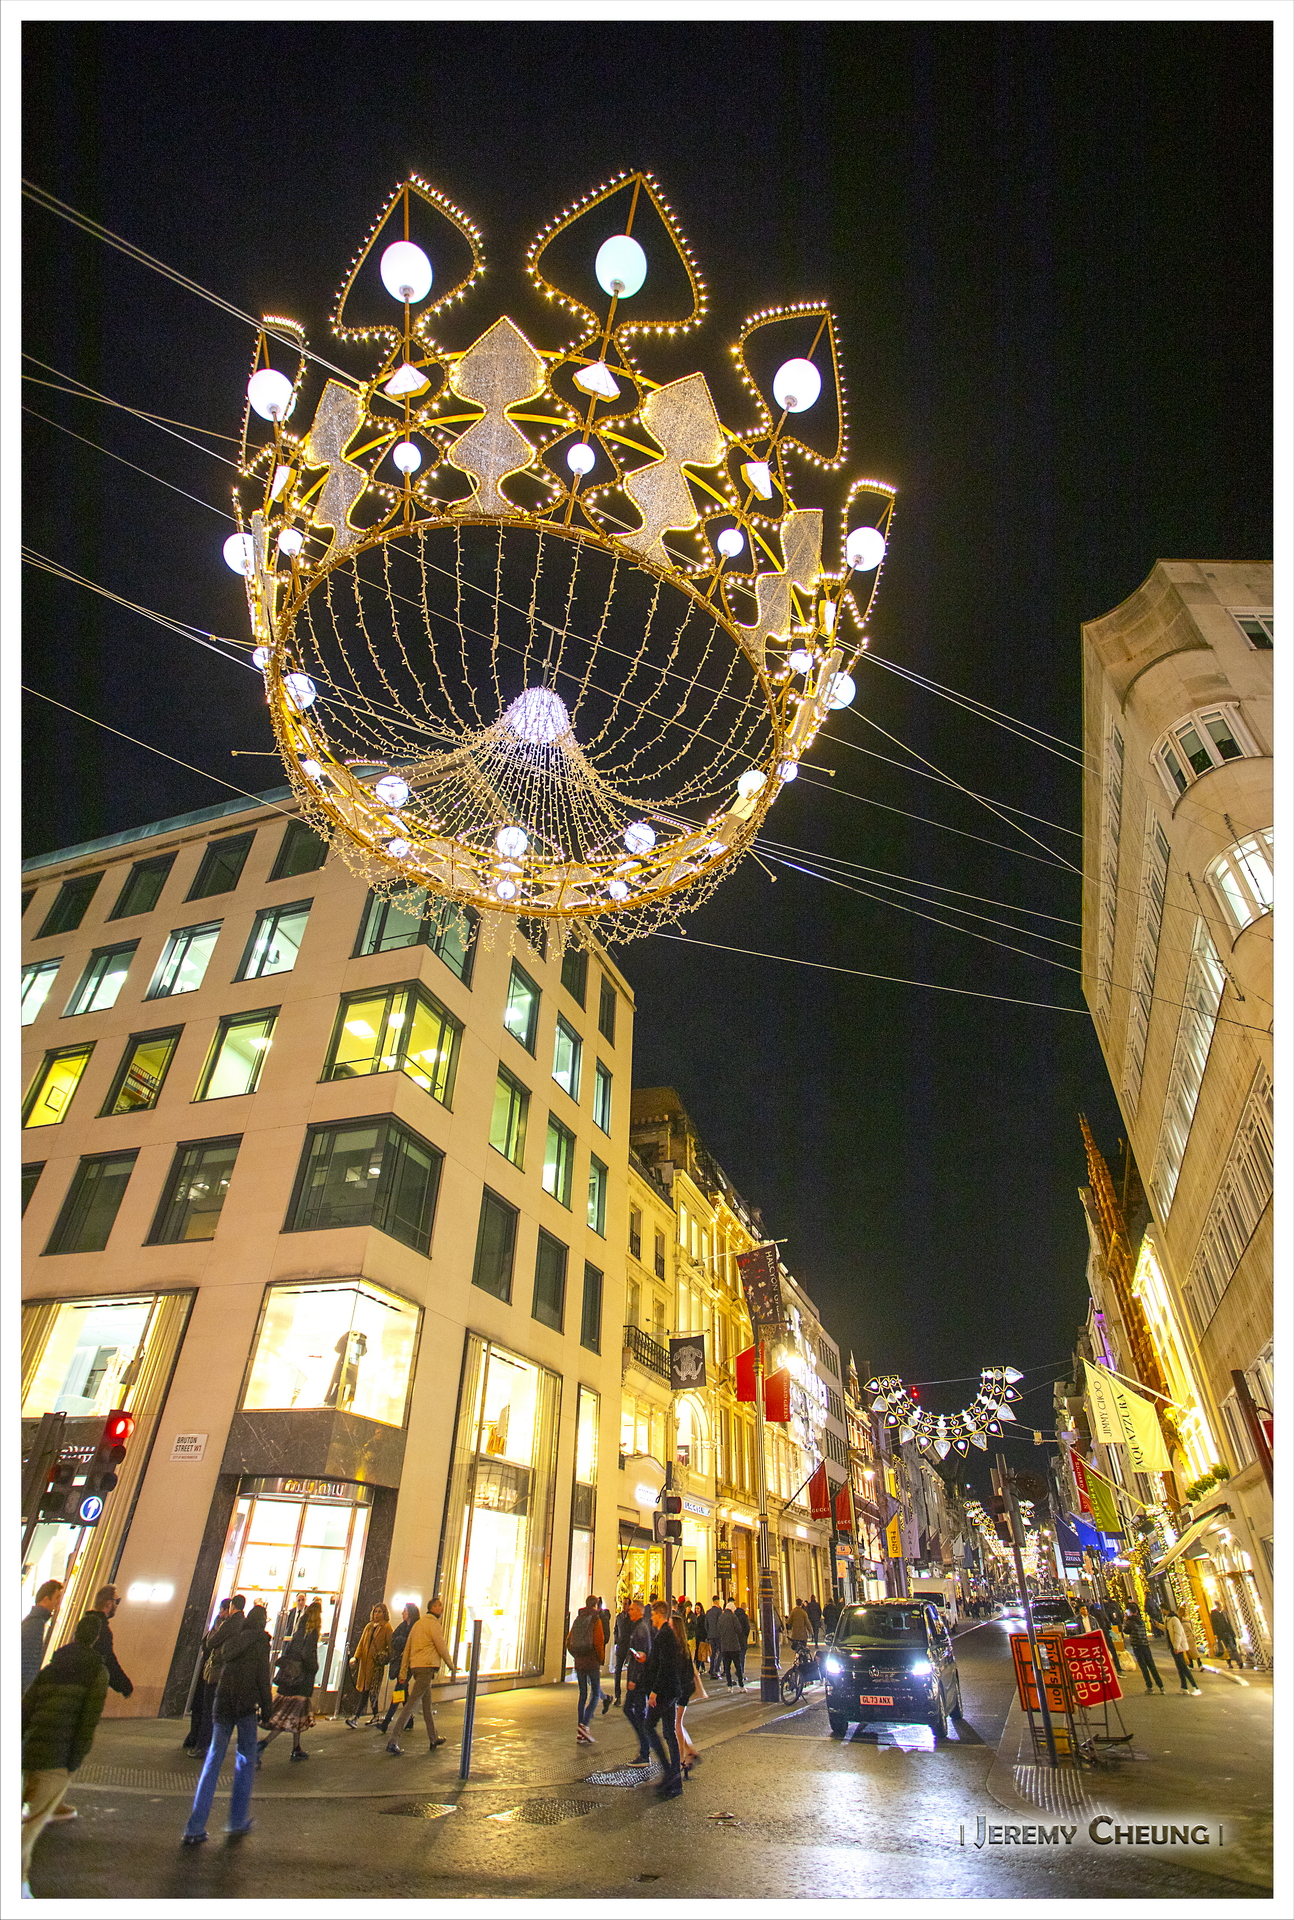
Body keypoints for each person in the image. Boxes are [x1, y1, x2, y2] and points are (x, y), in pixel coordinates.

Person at [21, 1616, 108, 1893]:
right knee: (30, 1828)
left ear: (73, 1634)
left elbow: (25, 1710)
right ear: (96, 1639)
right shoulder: (97, 1672)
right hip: (57, 1760)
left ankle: (20, 1884)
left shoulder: (51, 1668)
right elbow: (87, 1722)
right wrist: (74, 1762)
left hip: (28, 1753)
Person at [181, 1602, 273, 1845]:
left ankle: (194, 1826)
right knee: (245, 1760)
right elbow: (263, 1678)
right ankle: (237, 1820)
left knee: (213, 1762)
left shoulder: (234, 1640)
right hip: (245, 1707)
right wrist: (268, 1710)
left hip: (222, 1704)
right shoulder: (260, 1644)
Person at [390, 1594, 455, 1754]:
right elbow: (441, 1645)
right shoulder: (433, 1624)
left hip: (416, 1666)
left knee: (427, 1705)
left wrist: (404, 1671)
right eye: (439, 1605)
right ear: (433, 1608)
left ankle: (433, 1738)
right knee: (411, 1704)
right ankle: (393, 1740)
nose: (441, 1608)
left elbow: (408, 1648)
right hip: (427, 1666)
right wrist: (451, 1665)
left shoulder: (418, 1624)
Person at [259, 1598, 320, 1761]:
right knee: (288, 1717)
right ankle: (263, 1744)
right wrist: (314, 1667)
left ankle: (296, 1748)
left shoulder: (298, 1631)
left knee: (295, 1717)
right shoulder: (312, 1633)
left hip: (290, 1678)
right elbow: (307, 1655)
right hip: (300, 1682)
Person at [643, 1601, 688, 1799]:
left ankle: (669, 1772)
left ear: (660, 1615)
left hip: (664, 1691)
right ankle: (673, 1777)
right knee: (669, 1732)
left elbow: (664, 1666)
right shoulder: (666, 1635)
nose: (651, 1618)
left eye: (653, 1614)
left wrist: (654, 1691)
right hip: (669, 1690)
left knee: (649, 1726)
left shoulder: (664, 1635)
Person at [183, 1599, 233, 1754]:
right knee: (202, 1706)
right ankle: (196, 1737)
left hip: (212, 1673)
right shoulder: (221, 1625)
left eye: (222, 1609)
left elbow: (209, 1644)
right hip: (208, 1672)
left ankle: (200, 1741)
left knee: (207, 1708)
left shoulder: (224, 1627)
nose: (221, 1612)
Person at [78, 1585, 132, 1698]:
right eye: (116, 1601)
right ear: (108, 1603)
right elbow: (108, 1660)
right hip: (89, 1684)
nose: (116, 1606)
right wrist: (124, 1685)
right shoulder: (102, 1629)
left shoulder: (84, 1623)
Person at [567, 1595, 606, 1744]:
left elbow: (568, 1641)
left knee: (582, 1694)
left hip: (580, 1662)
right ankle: (584, 1725)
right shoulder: (596, 1620)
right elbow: (599, 1642)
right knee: (595, 1693)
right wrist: (599, 1659)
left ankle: (580, 1730)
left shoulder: (578, 1619)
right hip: (592, 1661)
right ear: (596, 1605)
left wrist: (577, 1655)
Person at [346, 1602, 392, 1727]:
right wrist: (356, 1657)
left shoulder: (386, 1627)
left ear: (384, 1613)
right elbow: (361, 1643)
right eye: (375, 1611)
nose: (377, 1614)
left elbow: (390, 1645)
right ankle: (373, 1716)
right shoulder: (369, 1626)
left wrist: (385, 1657)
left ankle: (356, 1717)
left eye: (379, 1612)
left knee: (371, 1690)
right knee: (366, 1690)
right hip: (365, 1664)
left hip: (376, 1665)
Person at [379, 1602, 420, 1736]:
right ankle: (409, 1720)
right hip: (400, 1662)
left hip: (408, 1664)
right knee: (403, 1691)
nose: (402, 1613)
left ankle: (387, 1721)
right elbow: (394, 1640)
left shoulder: (416, 1627)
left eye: (405, 1611)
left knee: (399, 1690)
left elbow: (410, 1643)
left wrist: (401, 1641)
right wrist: (402, 1641)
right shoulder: (402, 1626)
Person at [621, 1600, 653, 1765]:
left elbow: (641, 1657)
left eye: (632, 1609)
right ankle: (645, 1748)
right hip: (640, 1679)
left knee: (634, 1711)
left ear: (640, 1611)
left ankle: (645, 1751)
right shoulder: (639, 1628)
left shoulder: (640, 1630)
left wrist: (634, 1679)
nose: (629, 1611)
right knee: (634, 1711)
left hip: (639, 1681)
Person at [21, 1581, 64, 1694]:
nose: (58, 1603)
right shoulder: (36, 1625)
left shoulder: (31, 1621)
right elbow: (28, 1664)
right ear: (45, 1599)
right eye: (56, 1598)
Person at [675, 1614, 704, 1775]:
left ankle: (682, 1758)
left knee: (676, 1724)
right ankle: (690, 1751)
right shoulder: (683, 1645)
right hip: (685, 1688)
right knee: (678, 1723)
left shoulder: (678, 1647)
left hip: (681, 1689)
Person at [1123, 1603, 1164, 1694]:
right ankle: (1161, 1686)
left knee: (1143, 1667)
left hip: (1137, 1646)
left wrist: (1125, 1620)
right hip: (1145, 1645)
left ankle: (1149, 1686)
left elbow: (1126, 1631)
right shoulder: (1141, 1621)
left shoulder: (1130, 1622)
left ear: (1130, 1611)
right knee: (1151, 1665)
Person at [1164, 1612, 1201, 1693]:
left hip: (1178, 1647)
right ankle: (1184, 1687)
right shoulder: (1168, 1620)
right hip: (1174, 1646)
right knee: (1180, 1667)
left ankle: (1195, 1687)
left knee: (1183, 1666)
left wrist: (1176, 1646)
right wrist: (1158, 1625)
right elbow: (1168, 1630)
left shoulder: (1174, 1620)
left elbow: (1178, 1634)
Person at [715, 1599, 743, 1689]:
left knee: (727, 1667)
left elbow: (718, 1630)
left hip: (724, 1646)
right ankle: (741, 1685)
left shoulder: (721, 1617)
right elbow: (739, 1629)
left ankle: (729, 1685)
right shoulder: (733, 1617)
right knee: (738, 1666)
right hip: (734, 1645)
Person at [1209, 1603, 1243, 1669]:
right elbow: (1214, 1625)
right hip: (1221, 1634)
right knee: (1225, 1649)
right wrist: (1216, 1634)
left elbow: (1228, 1623)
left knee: (1233, 1648)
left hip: (1228, 1632)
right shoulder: (1214, 1614)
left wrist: (1232, 1633)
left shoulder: (1224, 1613)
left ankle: (1239, 1662)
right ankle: (1229, 1663)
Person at [704, 1596, 723, 1678]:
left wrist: (709, 1633)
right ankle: (716, 1668)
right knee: (721, 1652)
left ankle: (711, 1669)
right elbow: (720, 1624)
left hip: (711, 1635)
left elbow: (706, 1625)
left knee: (713, 1653)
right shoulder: (719, 1611)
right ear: (717, 1601)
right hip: (718, 1635)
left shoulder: (708, 1612)